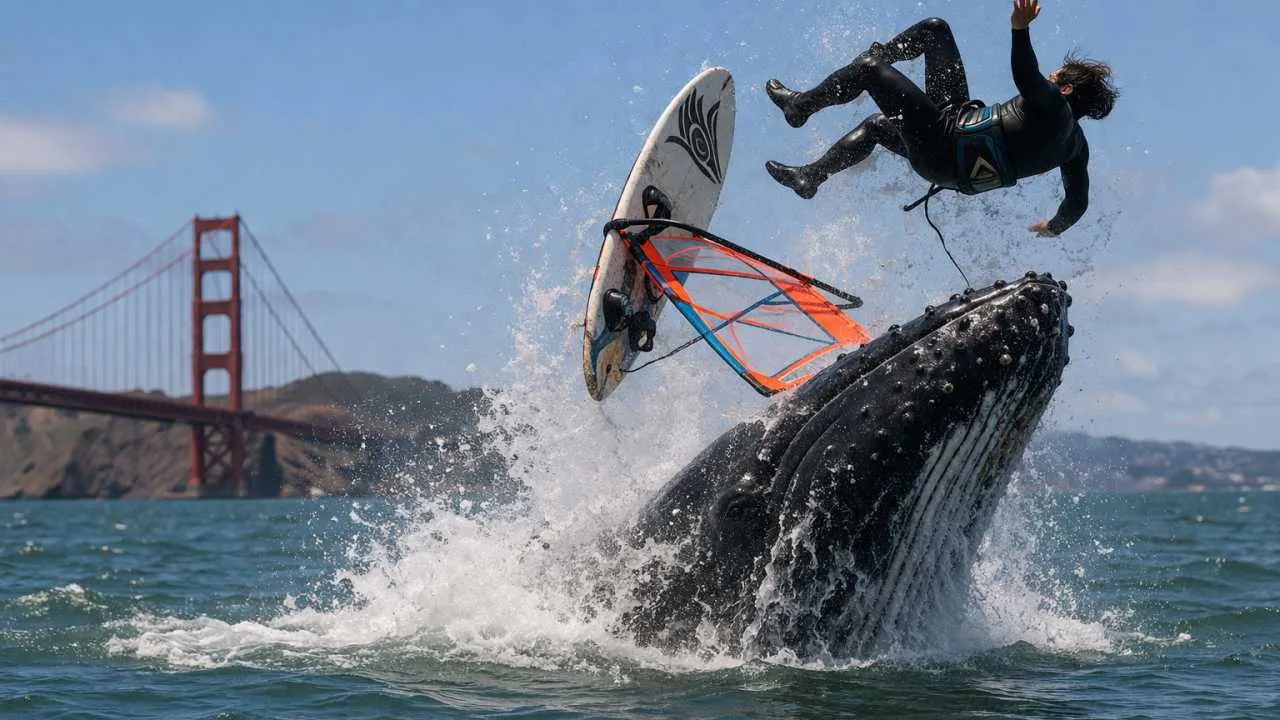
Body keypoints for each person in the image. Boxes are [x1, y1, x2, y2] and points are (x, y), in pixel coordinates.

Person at [763, 0, 1117, 237]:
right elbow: (1077, 203)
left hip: (944, 143)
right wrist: (1053, 227)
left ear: (1066, 89)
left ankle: (802, 106)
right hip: (950, 143)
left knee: (869, 69)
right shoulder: (1075, 147)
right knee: (934, 32)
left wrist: (1019, 28)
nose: (1049, 81)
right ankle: (810, 176)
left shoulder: (1054, 106)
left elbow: (1025, 74)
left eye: (1055, 78)